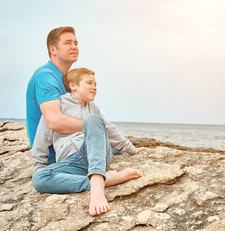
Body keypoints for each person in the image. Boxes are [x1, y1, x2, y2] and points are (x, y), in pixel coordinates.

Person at [31, 68, 146, 216]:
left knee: (93, 120)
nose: (94, 87)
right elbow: (42, 138)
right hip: (73, 162)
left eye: (96, 84)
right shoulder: (58, 106)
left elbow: (110, 129)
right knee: (39, 178)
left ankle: (97, 189)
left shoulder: (93, 109)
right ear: (73, 86)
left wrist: (130, 148)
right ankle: (103, 180)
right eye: (89, 83)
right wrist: (39, 166)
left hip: (98, 157)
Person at [26, 26, 82, 165]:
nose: (74, 47)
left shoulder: (65, 78)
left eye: (76, 43)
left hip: (70, 144)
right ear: (53, 50)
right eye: (68, 43)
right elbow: (54, 122)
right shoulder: (46, 77)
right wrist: (93, 125)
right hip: (54, 155)